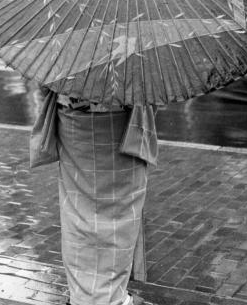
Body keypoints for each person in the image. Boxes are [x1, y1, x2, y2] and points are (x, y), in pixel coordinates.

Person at [30, 90, 158, 305]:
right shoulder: (136, 55)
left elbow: (44, 85)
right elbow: (153, 91)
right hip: (123, 122)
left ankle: (82, 295)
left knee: (77, 213)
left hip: (73, 123)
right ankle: (111, 297)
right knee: (122, 216)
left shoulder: (65, 54)